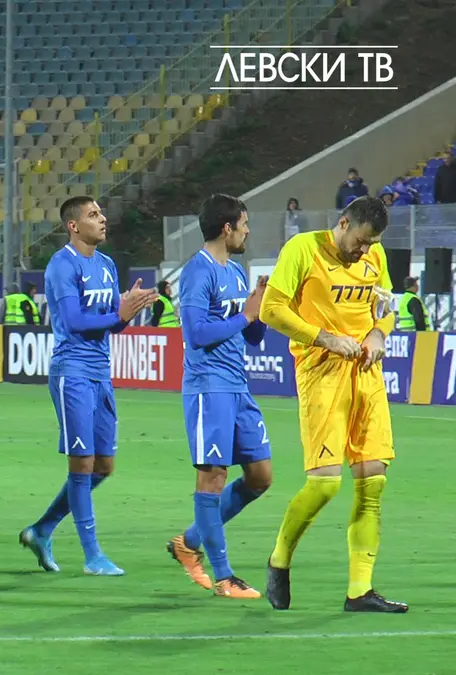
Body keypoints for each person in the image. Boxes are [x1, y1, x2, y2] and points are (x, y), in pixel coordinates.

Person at [261, 196, 406, 613]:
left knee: (373, 482)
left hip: (367, 374)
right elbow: (271, 309)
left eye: (371, 243)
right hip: (321, 373)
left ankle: (360, 590)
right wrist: (325, 338)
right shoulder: (303, 249)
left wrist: (378, 334)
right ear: (343, 223)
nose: (365, 250)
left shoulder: (375, 254)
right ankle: (279, 559)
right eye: (360, 240)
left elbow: (386, 307)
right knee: (325, 484)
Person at [18, 196, 157, 575]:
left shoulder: (107, 265)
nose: (102, 219)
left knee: (104, 466)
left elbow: (113, 324)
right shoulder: (62, 265)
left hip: (100, 372)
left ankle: (42, 529)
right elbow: (75, 321)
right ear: (74, 226)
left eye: (101, 213)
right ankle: (93, 556)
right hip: (72, 372)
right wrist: (119, 312)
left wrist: (128, 311)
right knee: (81, 463)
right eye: (93, 215)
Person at [165, 194, 271, 599]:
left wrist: (259, 312)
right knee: (213, 477)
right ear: (227, 229)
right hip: (208, 387)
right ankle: (225, 577)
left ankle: (189, 541)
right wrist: (244, 315)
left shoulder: (236, 271)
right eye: (244, 224)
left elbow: (251, 335)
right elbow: (195, 334)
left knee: (260, 476)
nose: (248, 231)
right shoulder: (198, 271)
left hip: (237, 385)